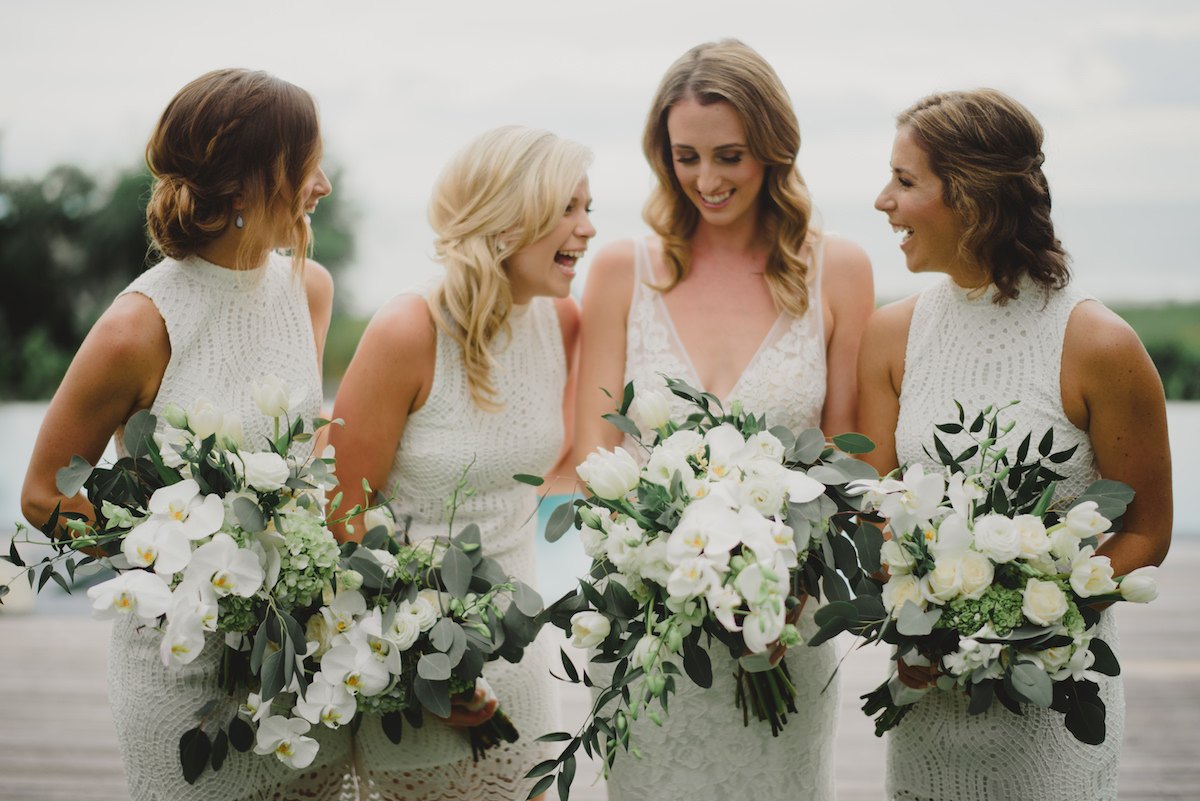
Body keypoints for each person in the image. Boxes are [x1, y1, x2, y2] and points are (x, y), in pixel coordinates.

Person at [20, 70, 349, 799]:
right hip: (180, 669)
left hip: (293, 664)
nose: (321, 183)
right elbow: (44, 493)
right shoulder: (138, 325)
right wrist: (179, 560)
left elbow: (308, 456)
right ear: (243, 186)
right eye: (305, 166)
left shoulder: (309, 289)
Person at [574, 39, 874, 800]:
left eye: (730, 156)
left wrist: (790, 587)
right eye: (685, 157)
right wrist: (659, 565)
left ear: (773, 148)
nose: (706, 180)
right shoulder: (621, 271)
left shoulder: (836, 270)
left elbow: (847, 457)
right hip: (653, 625)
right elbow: (593, 456)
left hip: (787, 621)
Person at [858, 88, 1173, 800]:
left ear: (971, 197)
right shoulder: (890, 335)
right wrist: (926, 622)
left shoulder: (1100, 344)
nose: (883, 200)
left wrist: (1024, 622)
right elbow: (869, 509)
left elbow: (1147, 529)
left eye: (905, 182)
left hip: (1055, 695)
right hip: (928, 693)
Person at [327, 125, 592, 801]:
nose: (586, 229)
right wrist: (427, 661)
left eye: (589, 208)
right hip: (413, 670)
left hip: (523, 662)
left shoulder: (559, 322)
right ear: (509, 220)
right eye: (569, 208)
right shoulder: (408, 329)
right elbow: (340, 516)